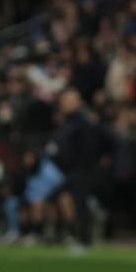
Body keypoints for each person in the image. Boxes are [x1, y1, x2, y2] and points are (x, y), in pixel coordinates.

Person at [55, 88, 103, 253]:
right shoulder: (68, 122)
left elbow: (90, 148)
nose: (65, 104)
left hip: (80, 169)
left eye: (68, 100)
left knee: (80, 204)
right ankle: (74, 234)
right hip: (68, 170)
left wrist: (85, 167)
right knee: (67, 200)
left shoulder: (83, 122)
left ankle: (85, 240)